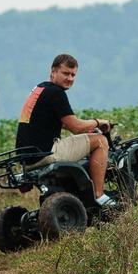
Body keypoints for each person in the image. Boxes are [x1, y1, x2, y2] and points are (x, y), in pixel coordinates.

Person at [15, 53, 116, 208]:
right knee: (100, 141)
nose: (69, 78)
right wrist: (98, 122)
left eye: (73, 75)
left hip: (27, 158)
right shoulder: (56, 93)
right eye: (65, 73)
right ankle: (99, 195)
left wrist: (88, 129)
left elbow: (54, 122)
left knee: (90, 137)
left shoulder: (39, 89)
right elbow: (75, 127)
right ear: (53, 72)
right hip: (45, 153)